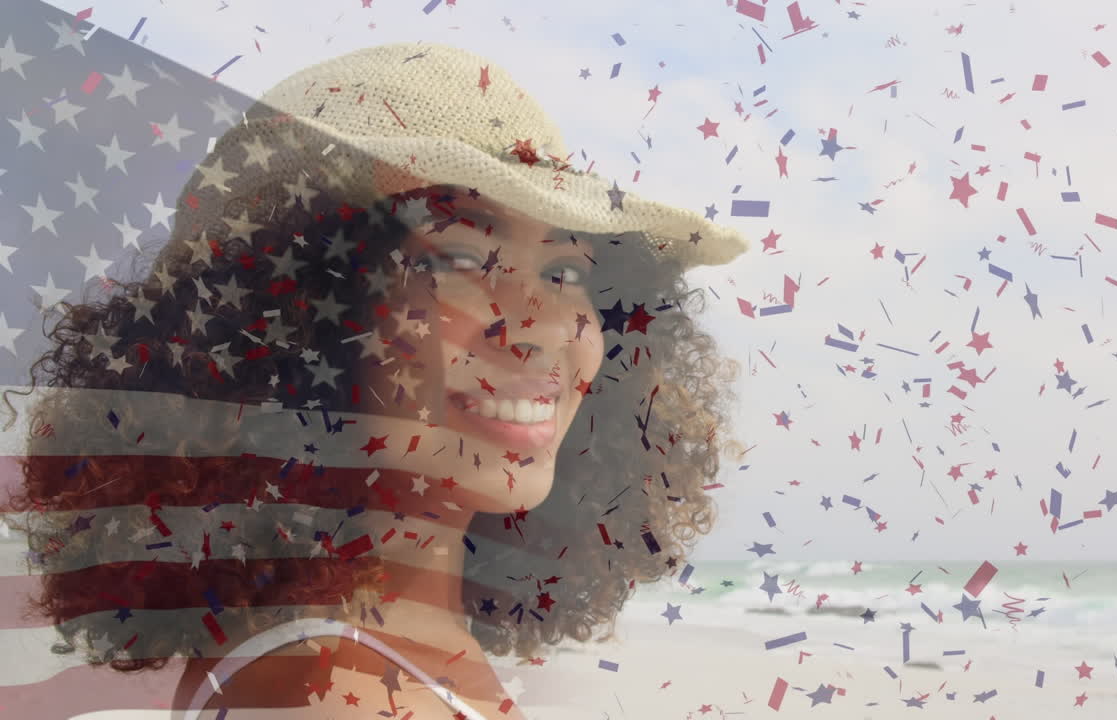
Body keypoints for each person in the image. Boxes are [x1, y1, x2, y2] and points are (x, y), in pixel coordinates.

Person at [1, 42, 747, 718]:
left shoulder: (360, 650)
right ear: (289, 328)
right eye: (454, 259)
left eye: (562, 271)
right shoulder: (339, 692)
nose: (542, 326)